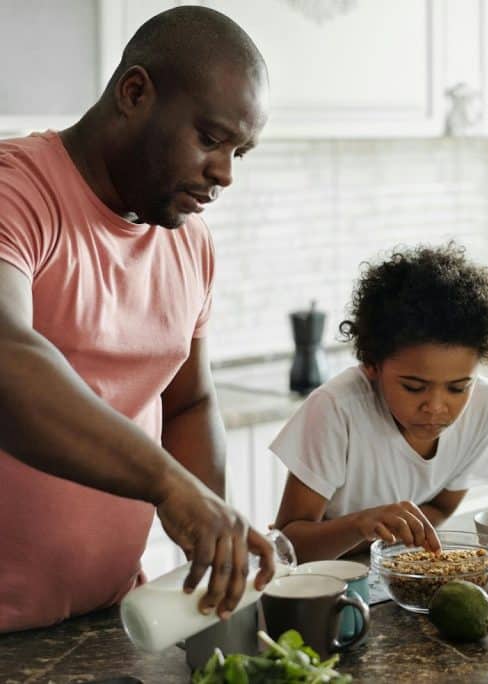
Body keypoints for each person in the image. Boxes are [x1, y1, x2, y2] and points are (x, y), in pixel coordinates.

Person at [0, 6, 275, 632]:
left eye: (241, 151)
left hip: (107, 618)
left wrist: (212, 531)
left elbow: (188, 403)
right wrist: (169, 487)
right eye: (210, 139)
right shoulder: (17, 193)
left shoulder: (189, 240)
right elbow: (5, 357)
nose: (225, 173)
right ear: (134, 93)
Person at [271, 243, 488, 562]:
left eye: (457, 388)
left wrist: (376, 533)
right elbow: (287, 545)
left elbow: (441, 508)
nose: (436, 407)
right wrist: (362, 524)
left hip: (386, 566)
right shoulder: (336, 410)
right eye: (414, 387)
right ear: (372, 365)